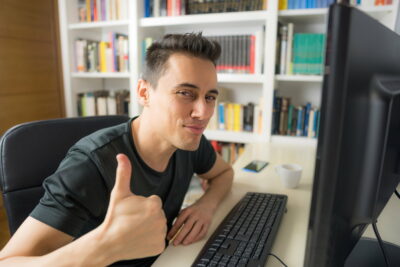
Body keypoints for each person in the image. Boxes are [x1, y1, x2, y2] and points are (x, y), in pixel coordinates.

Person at [0, 32, 234, 266]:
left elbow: (224, 173)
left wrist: (206, 205)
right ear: (144, 92)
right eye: (185, 93)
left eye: (210, 97)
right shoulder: (90, 165)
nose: (203, 113)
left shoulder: (187, 140)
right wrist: (106, 246)